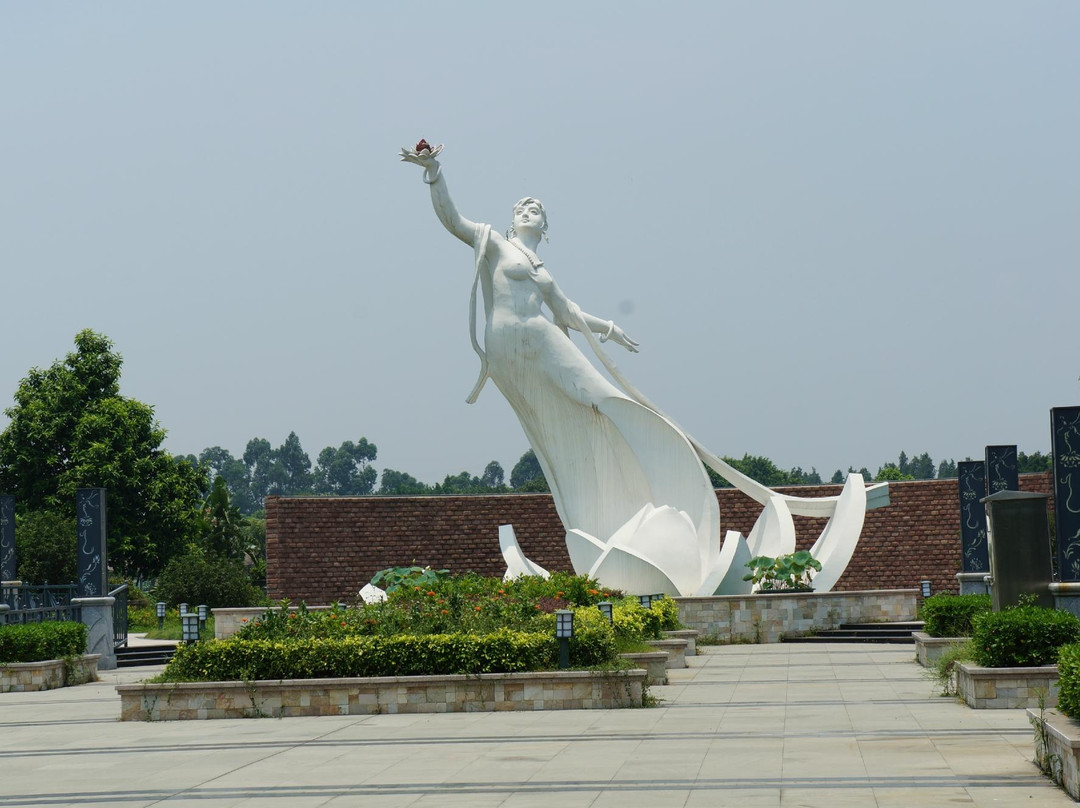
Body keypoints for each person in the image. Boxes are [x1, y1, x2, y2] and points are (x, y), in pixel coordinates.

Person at [403, 143, 720, 595]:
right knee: (560, 417)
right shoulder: (496, 244)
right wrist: (434, 173)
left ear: (545, 227)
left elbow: (567, 312)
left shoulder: (541, 268)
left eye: (536, 210)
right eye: (522, 208)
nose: (528, 211)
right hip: (509, 344)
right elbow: (453, 221)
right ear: (512, 219)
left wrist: (608, 328)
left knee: (601, 398)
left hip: (541, 338)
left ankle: (628, 484)